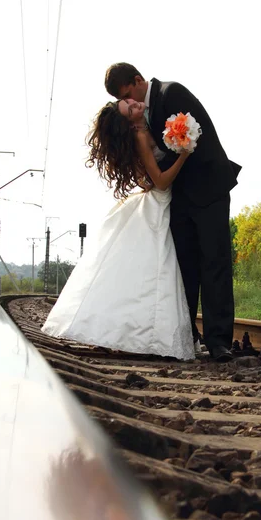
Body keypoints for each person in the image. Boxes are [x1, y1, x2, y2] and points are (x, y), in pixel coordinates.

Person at [105, 63, 241, 362]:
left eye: (129, 94)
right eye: (125, 101)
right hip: (177, 196)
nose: (131, 102)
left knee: (214, 263)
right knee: (184, 269)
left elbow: (193, 139)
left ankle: (218, 341)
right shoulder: (141, 117)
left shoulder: (171, 93)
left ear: (139, 80)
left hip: (208, 188)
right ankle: (185, 336)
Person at [42, 98, 195, 361]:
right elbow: (159, 182)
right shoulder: (139, 138)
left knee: (144, 273)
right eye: (131, 109)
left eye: (130, 103)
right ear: (128, 122)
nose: (137, 106)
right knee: (156, 270)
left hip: (155, 202)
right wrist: (183, 155)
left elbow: (143, 177)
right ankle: (145, 338)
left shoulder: (144, 130)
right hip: (158, 203)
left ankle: (139, 335)